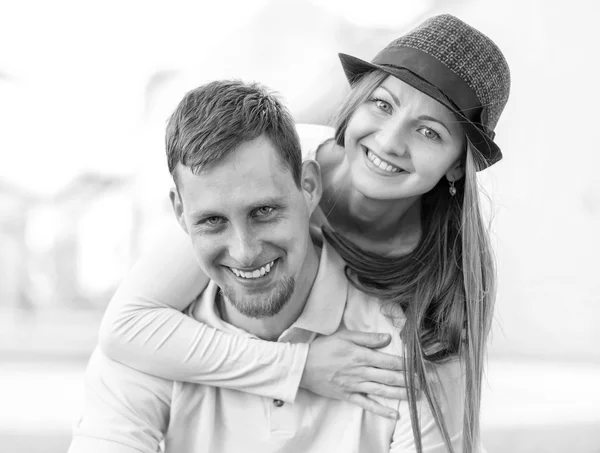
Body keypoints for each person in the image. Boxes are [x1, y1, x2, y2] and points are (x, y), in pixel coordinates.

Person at [95, 14, 510, 453]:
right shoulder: (269, 164)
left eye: (429, 131)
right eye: (383, 105)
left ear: (455, 164)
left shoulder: (439, 277)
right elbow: (127, 327)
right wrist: (297, 367)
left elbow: (440, 410)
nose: (389, 142)